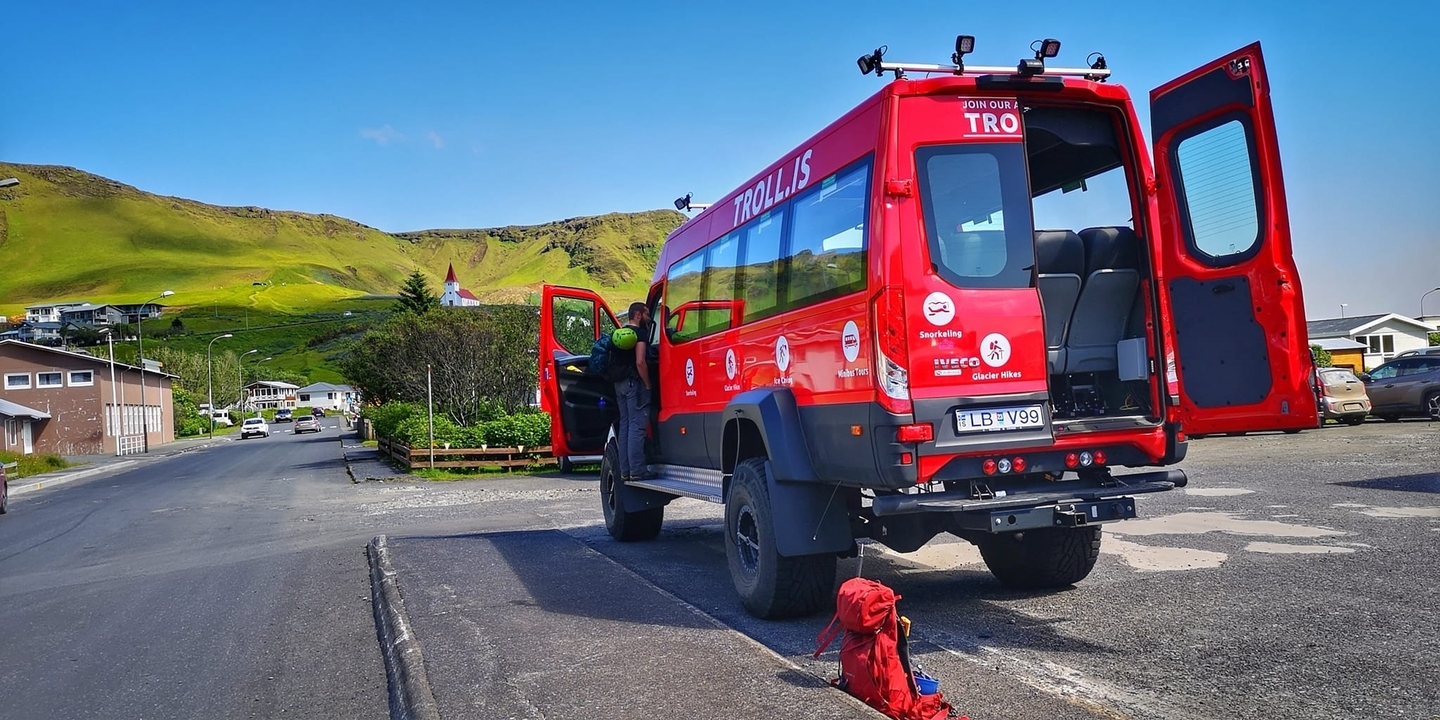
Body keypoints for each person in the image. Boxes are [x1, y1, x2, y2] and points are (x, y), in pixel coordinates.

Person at [613, 302, 656, 481]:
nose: (648, 318)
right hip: (633, 385)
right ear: (638, 315)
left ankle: (625, 470)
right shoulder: (640, 334)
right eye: (646, 314)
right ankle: (638, 470)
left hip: (618, 385)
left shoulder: (618, 335)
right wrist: (647, 384)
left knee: (624, 427)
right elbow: (640, 362)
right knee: (637, 427)